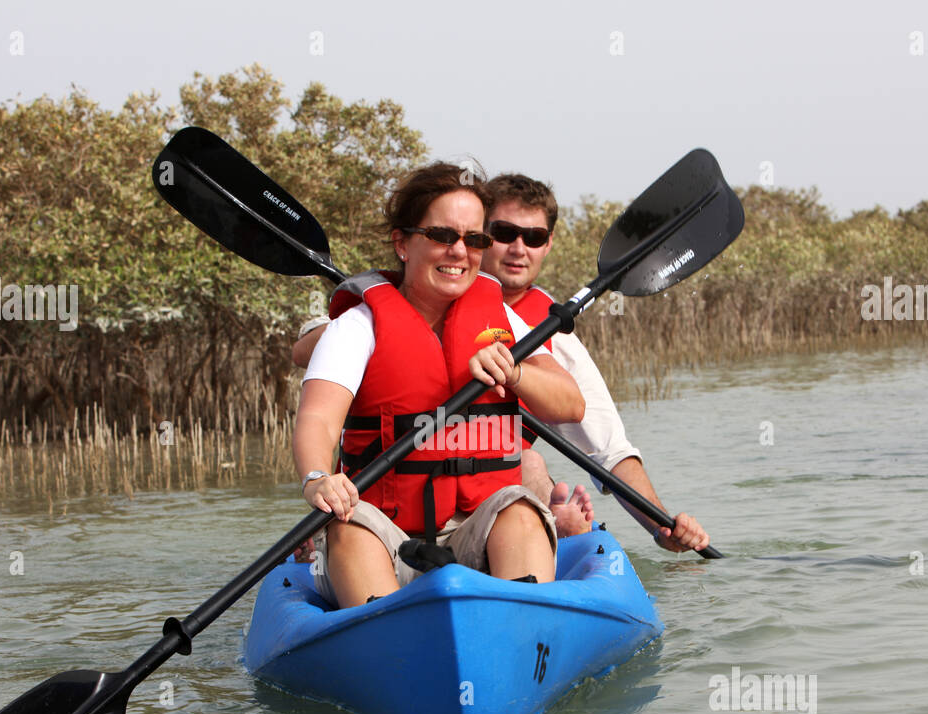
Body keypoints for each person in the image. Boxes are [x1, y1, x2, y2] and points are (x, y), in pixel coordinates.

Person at [296, 171, 709, 555]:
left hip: (491, 502)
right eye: (504, 233)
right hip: (385, 502)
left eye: (532, 237)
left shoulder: (549, 333)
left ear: (546, 245)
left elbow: (607, 446)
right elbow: (308, 360)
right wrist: (379, 329)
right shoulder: (369, 316)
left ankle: (554, 523)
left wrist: (659, 525)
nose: (517, 248)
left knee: (528, 462)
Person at [295, 163, 585, 609]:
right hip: (386, 534)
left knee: (520, 509)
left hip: (479, 532)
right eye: (442, 236)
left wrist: (516, 373)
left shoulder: (501, 319)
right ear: (402, 243)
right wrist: (317, 478)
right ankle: (386, 640)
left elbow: (571, 404)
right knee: (350, 528)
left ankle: (522, 632)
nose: (459, 252)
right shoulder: (358, 326)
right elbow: (318, 417)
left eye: (474, 240)